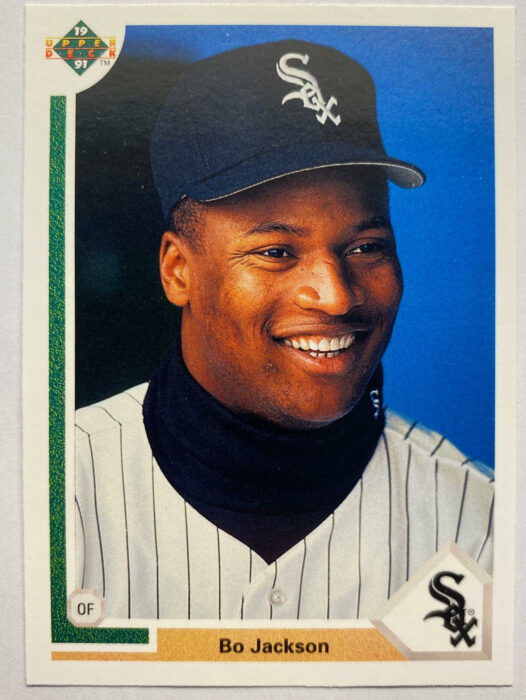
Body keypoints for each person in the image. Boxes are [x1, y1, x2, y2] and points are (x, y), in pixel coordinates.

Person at [75, 39, 494, 621]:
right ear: (177, 271)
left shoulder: (481, 525)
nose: (336, 295)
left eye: (367, 247)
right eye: (276, 252)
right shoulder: (55, 492)